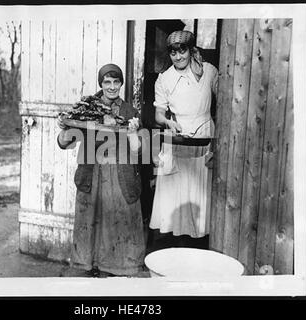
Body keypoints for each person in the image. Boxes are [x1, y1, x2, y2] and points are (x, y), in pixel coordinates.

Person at [57, 63, 146, 277]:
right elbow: (64, 143)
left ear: (122, 84)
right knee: (90, 216)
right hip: (92, 171)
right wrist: (64, 128)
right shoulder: (87, 108)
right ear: (101, 84)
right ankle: (89, 265)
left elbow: (139, 151)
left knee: (121, 216)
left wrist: (133, 132)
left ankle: (121, 267)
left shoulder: (130, 112)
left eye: (116, 82)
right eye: (107, 82)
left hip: (120, 173)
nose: (112, 87)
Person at [149, 30, 218, 248]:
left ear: (190, 50)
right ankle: (173, 246)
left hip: (205, 137)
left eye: (182, 51)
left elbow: (225, 101)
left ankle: (198, 247)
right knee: (173, 200)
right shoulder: (164, 78)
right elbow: (159, 114)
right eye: (173, 53)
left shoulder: (208, 72)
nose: (178, 57)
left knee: (198, 196)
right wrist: (168, 122)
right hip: (177, 139)